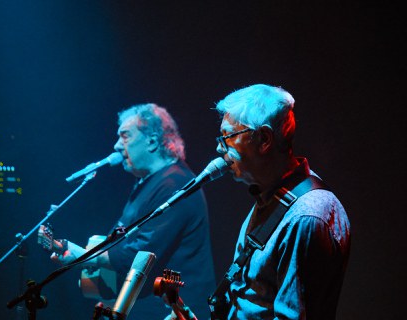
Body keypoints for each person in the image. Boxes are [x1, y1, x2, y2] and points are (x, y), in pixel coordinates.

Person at [41, 103, 216, 319]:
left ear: (152, 141)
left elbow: (140, 255)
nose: (116, 145)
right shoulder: (149, 182)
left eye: (125, 136)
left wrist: (87, 257)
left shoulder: (176, 183)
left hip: (173, 311)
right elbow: (121, 240)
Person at [212, 84, 351, 319]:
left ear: (264, 139)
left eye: (228, 136)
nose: (219, 147)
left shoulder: (307, 215)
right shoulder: (271, 197)